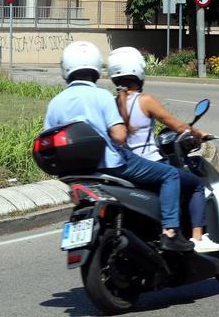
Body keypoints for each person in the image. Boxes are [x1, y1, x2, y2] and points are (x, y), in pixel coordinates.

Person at [44, 41, 196, 253]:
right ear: (96, 69)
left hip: (75, 174)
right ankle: (170, 232)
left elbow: (48, 138)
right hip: (111, 165)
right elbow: (119, 135)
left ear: (66, 70)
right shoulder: (102, 96)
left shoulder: (55, 103)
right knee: (170, 175)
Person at [109, 47, 219, 253]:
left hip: (127, 167)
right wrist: (198, 133)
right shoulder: (145, 100)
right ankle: (197, 238)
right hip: (152, 164)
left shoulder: (115, 103)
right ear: (138, 71)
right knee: (196, 185)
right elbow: (176, 125)